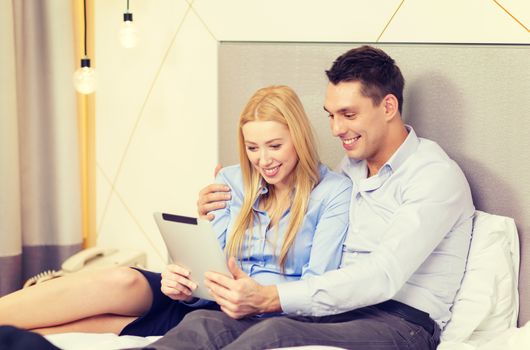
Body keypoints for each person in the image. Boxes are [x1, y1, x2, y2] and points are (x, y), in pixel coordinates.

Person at [141, 45, 475, 350]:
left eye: (348, 114)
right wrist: (219, 206)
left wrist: (271, 298)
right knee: (203, 325)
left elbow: (383, 275)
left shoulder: (433, 176)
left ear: (388, 106)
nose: (336, 129)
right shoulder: (351, 170)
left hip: (401, 322)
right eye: (331, 115)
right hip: (339, 310)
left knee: (271, 336)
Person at [0, 86, 352, 337]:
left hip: (242, 313)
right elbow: (207, 255)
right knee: (121, 278)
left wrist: (254, 292)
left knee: (50, 332)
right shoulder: (233, 179)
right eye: (252, 148)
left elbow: (317, 286)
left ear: (300, 138)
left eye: (275, 146)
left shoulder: (332, 192)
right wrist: (180, 277)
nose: (263, 160)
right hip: (198, 298)